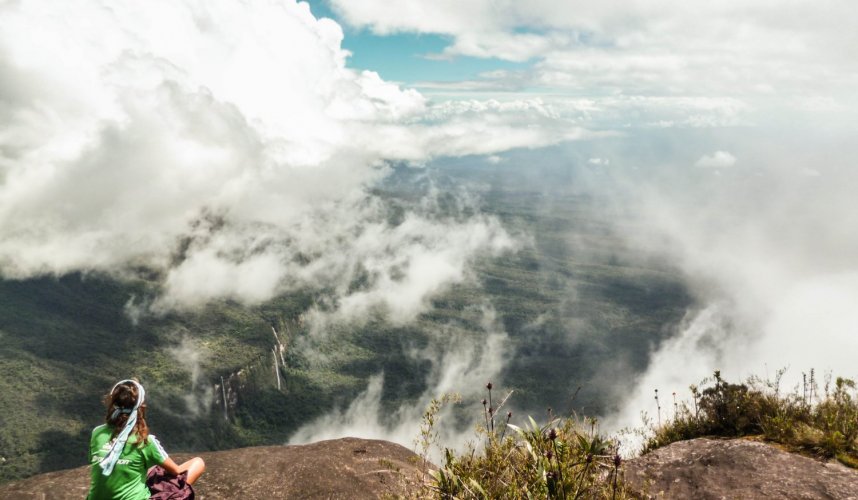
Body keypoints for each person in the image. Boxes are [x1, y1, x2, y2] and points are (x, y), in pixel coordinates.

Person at [87, 379, 206, 500]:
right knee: (198, 462)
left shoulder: (97, 433)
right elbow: (177, 471)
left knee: (152, 469)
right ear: (141, 408)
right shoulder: (144, 441)